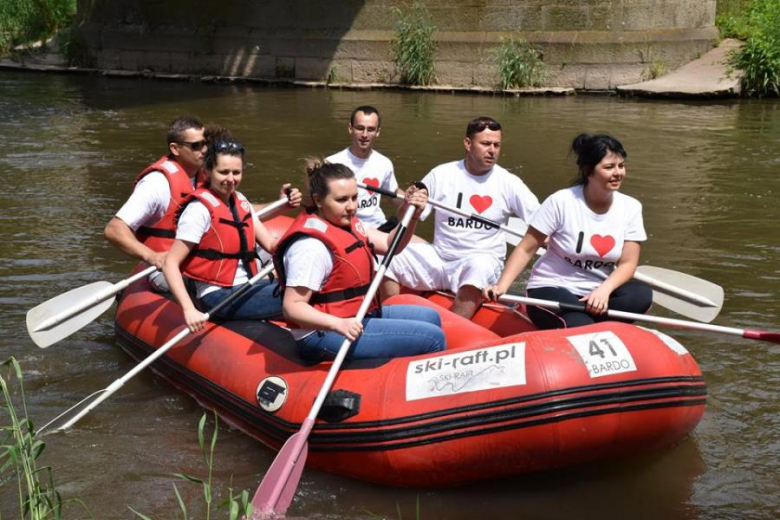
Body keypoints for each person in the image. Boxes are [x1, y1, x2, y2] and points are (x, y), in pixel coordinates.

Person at [272, 160, 446, 361]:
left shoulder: (348, 224)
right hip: (321, 333)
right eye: (342, 200)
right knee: (433, 338)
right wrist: (338, 324)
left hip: (355, 314)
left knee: (430, 317)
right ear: (318, 200)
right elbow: (292, 307)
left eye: (354, 198)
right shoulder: (310, 247)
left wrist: (412, 215)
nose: (351, 207)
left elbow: (392, 245)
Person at [484, 133, 653, 329]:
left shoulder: (631, 207)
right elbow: (526, 248)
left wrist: (603, 291)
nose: (618, 173)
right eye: (609, 167)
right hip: (553, 287)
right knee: (579, 321)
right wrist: (501, 286)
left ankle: (592, 322)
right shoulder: (561, 202)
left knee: (641, 295)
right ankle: (589, 325)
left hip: (597, 293)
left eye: (621, 166)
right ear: (588, 171)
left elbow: (628, 263)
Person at [383, 116, 540, 320]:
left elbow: (542, 224)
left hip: (480, 259)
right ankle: (390, 319)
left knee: (479, 267)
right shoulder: (441, 175)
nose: (492, 150)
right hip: (440, 256)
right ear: (468, 144)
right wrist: (410, 204)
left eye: (496, 145)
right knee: (387, 260)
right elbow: (408, 217)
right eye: (485, 144)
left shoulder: (509, 183)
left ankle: (449, 334)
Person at [162, 138, 301, 332]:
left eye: (236, 172)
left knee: (307, 288)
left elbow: (271, 245)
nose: (230, 179)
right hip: (217, 296)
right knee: (300, 299)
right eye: (223, 172)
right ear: (207, 171)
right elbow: (171, 263)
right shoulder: (198, 210)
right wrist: (189, 309)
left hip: (247, 286)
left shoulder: (240, 200)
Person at [105, 116, 208, 291]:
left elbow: (238, 212)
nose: (205, 150)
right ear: (175, 148)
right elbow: (114, 229)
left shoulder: (206, 175)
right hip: (166, 267)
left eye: (206, 143)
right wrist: (152, 256)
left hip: (200, 258)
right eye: (196, 146)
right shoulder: (157, 184)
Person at [326, 105, 403, 232]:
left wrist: (410, 198)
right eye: (360, 128)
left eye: (370, 129)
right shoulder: (331, 163)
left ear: (378, 132)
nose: (365, 135)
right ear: (350, 129)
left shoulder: (384, 163)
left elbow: (393, 194)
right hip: (348, 227)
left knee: (423, 250)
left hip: (379, 226)